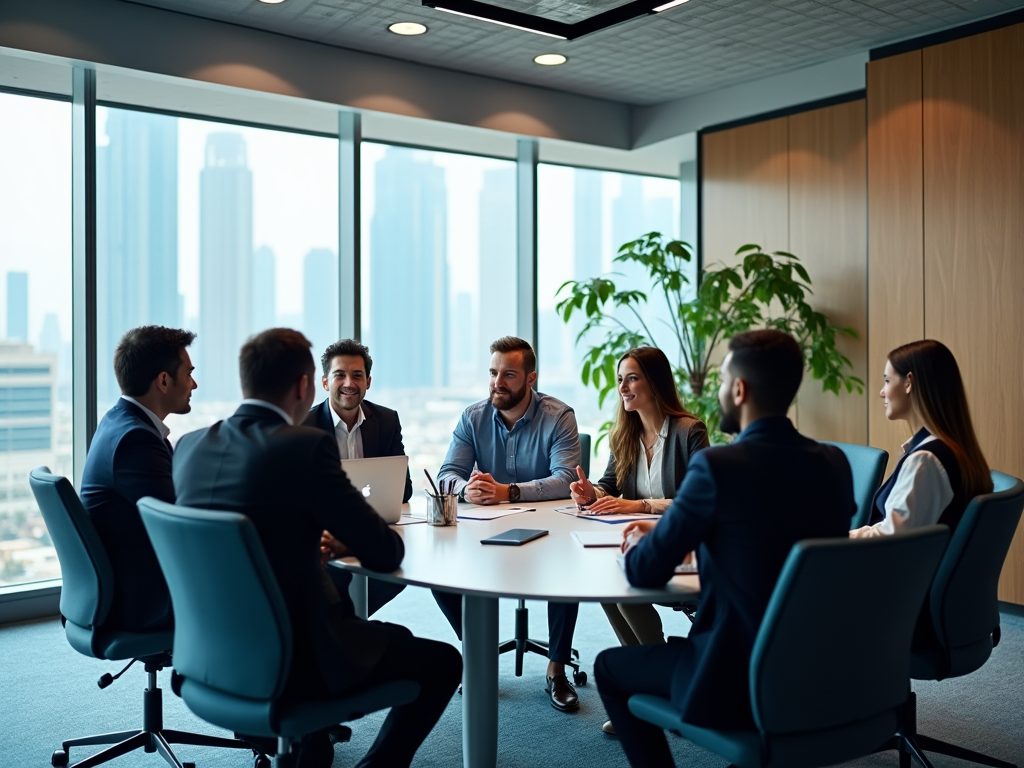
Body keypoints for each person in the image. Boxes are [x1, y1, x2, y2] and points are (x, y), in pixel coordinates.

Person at [173, 329, 461, 768]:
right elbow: (386, 553)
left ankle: (309, 740)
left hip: (208, 652)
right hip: (296, 655)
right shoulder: (304, 445)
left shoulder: (188, 446)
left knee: (392, 638)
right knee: (442, 661)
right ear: (310, 385)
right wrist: (349, 535)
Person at [594, 329, 854, 768]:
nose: (716, 393)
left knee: (609, 668)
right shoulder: (835, 463)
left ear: (739, 389)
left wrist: (645, 539)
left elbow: (643, 573)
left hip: (733, 670)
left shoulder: (718, 467)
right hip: (818, 667)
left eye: (721, 382)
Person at [435, 336, 583, 712]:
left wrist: (508, 492)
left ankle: (556, 668)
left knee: (567, 570)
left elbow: (566, 478)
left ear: (530, 379)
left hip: (549, 530)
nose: (497, 383)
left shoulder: (559, 415)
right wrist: (467, 488)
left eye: (509, 375)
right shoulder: (473, 417)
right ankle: (479, 650)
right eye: (493, 373)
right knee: (438, 571)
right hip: (485, 529)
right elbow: (447, 473)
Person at [570, 347, 708, 648]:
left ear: (655, 383)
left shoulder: (690, 432)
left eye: (632, 379)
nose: (622, 388)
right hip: (634, 539)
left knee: (621, 586)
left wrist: (639, 506)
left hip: (677, 544)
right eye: (620, 379)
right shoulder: (625, 434)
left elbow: (698, 503)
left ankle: (655, 660)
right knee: (606, 585)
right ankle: (641, 661)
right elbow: (609, 484)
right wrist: (590, 493)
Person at [80, 325, 197, 632]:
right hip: (144, 600)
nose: (193, 384)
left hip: (130, 581)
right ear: (163, 380)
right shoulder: (136, 439)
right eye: (188, 374)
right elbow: (180, 526)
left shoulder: (117, 421)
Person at [304, 338, 411, 616]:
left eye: (357, 375)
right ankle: (346, 627)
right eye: (340, 375)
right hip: (325, 536)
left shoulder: (386, 420)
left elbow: (404, 489)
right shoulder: (305, 426)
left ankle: (346, 625)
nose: (349, 382)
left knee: (397, 573)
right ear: (326, 382)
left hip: (371, 526)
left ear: (368, 382)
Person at [851, 339, 991, 538]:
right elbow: (892, 528)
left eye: (887, 381)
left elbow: (891, 541)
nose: (882, 392)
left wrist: (833, 541)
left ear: (909, 382)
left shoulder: (926, 461)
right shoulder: (949, 451)